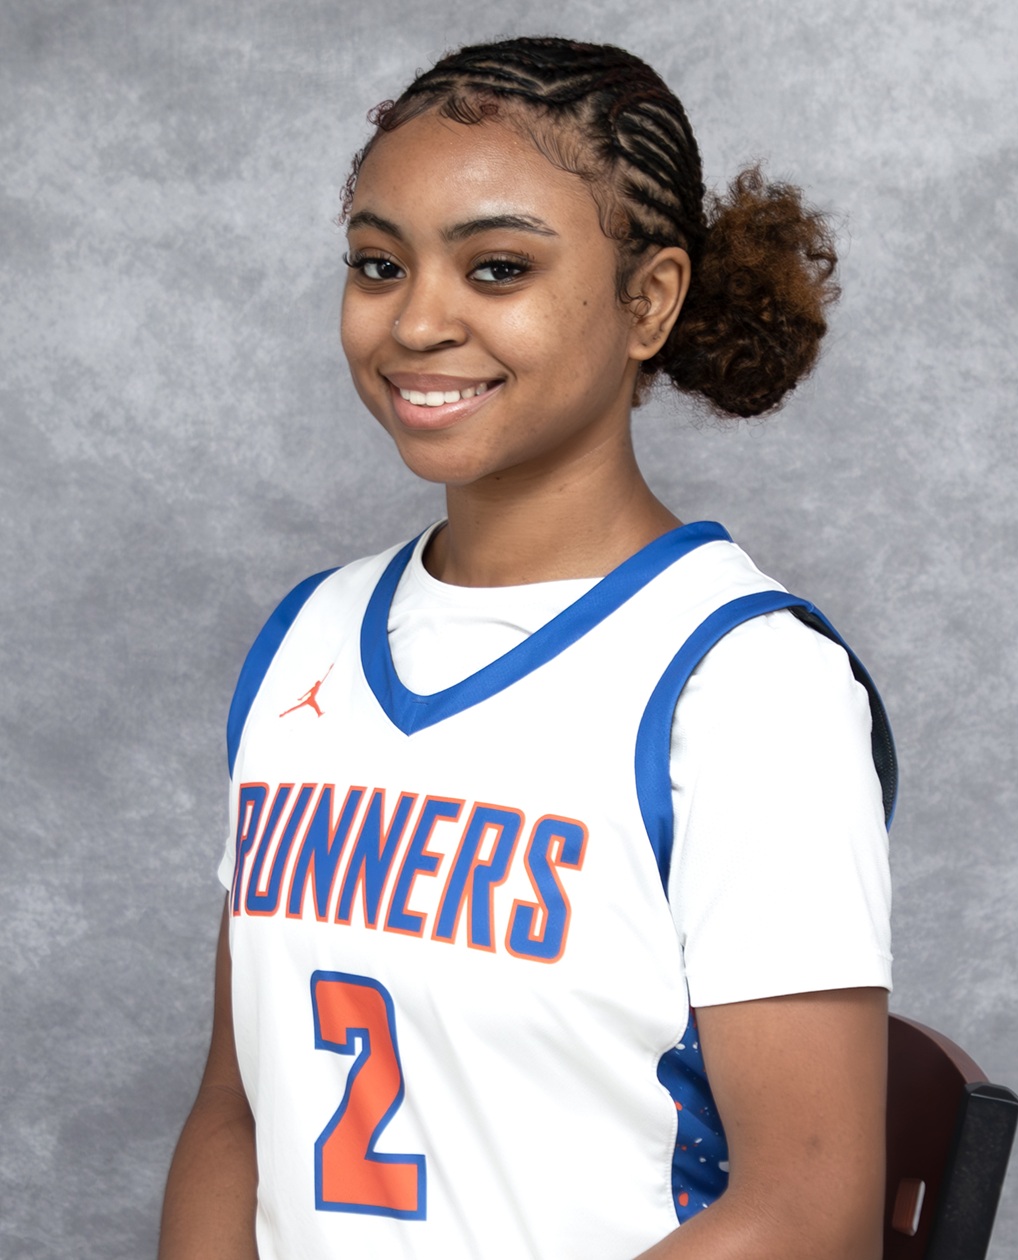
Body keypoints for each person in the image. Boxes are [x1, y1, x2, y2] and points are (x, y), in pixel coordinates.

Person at [159, 36, 894, 1260]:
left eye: (497, 267)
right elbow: (235, 1116)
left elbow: (808, 1216)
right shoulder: (306, 640)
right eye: (379, 264)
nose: (417, 321)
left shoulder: (747, 686)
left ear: (648, 301)